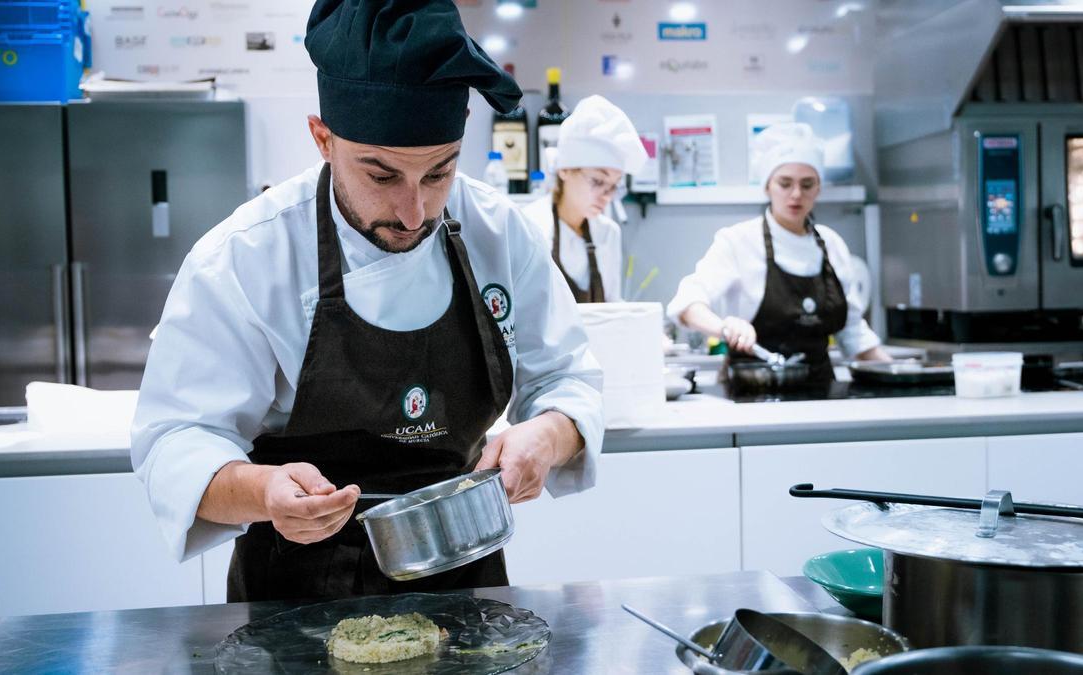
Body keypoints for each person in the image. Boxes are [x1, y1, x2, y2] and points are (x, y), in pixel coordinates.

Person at [130, 0, 603, 602]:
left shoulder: (498, 232)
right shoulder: (247, 256)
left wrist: (549, 438)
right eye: (382, 177)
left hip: (468, 582)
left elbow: (570, 380)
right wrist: (260, 491)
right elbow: (175, 439)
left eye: (439, 174)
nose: (415, 213)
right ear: (322, 139)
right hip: (292, 594)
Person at [667, 122, 888, 384]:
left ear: (818, 188)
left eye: (807, 184)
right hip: (751, 390)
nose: (796, 194)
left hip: (820, 392)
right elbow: (687, 303)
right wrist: (725, 327)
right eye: (785, 183)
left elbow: (852, 331)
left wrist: (901, 373)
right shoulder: (738, 241)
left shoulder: (831, 244)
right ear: (767, 186)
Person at [521, 95, 647, 303]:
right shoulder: (531, 227)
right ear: (565, 170)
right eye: (598, 181)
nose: (607, 196)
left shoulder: (607, 233)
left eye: (614, 186)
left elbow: (612, 304)